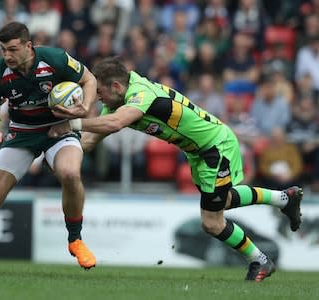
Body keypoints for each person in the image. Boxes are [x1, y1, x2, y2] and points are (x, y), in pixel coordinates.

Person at [48, 57, 303, 282]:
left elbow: (115, 124)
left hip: (215, 147)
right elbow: (91, 140)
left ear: (116, 86)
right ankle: (284, 198)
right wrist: (61, 156)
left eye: (100, 92)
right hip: (199, 151)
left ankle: (259, 260)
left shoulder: (141, 94)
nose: (98, 98)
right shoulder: (117, 101)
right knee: (221, 202)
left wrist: (73, 123)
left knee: (212, 222)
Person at [0, 21, 97, 275]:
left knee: (70, 173)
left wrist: (85, 107)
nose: (7, 56)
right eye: (3, 50)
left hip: (59, 128)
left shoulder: (54, 58)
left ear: (28, 46)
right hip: (22, 133)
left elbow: (89, 79)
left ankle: (75, 240)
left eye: (12, 49)